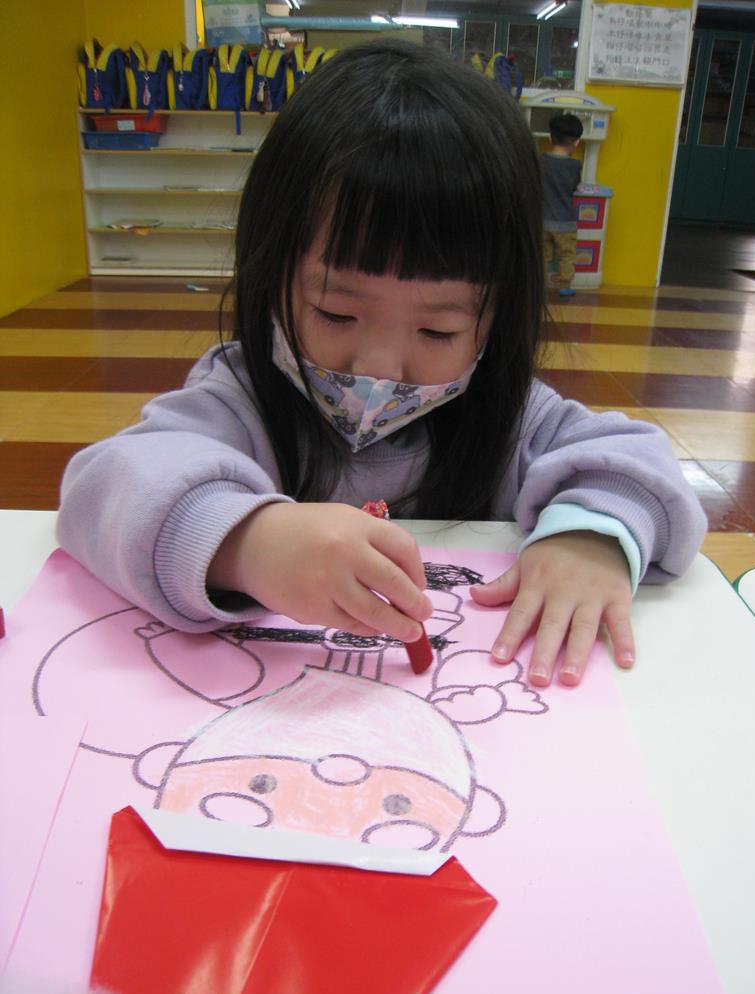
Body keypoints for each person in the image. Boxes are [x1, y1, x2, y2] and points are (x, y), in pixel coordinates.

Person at [57, 40, 706, 689]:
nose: (379, 366)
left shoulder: (512, 417)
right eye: (336, 313)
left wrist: (589, 539)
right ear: (270, 274)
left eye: (437, 329)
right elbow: (103, 487)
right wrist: (245, 543)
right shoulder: (240, 397)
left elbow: (637, 466)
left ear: (496, 319)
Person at [541, 112, 583, 298]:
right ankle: (565, 285)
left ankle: (540, 285)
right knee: (566, 255)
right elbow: (574, 186)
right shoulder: (575, 166)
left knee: (542, 256)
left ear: (550, 138)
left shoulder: (540, 161)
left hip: (542, 220)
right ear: (577, 142)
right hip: (566, 222)